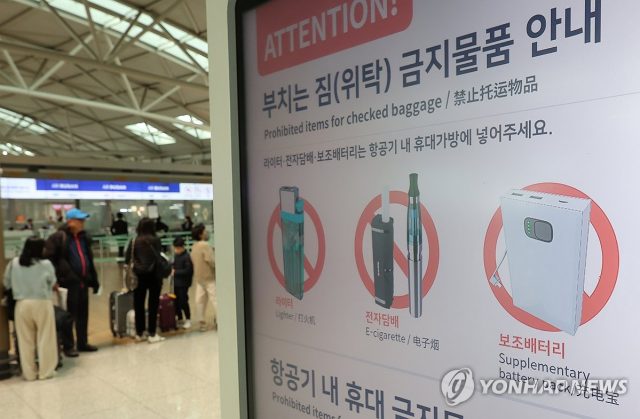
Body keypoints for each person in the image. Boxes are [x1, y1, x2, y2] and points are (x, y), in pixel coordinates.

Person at [44, 208, 100, 353]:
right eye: (79, 220)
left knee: (83, 313)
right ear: (70, 221)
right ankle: (68, 346)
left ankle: (82, 342)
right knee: (68, 315)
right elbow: (48, 260)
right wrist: (54, 279)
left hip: (83, 281)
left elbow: (88, 258)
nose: (82, 223)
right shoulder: (59, 238)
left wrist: (94, 280)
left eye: (83, 220)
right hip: (68, 282)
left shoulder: (83, 238)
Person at [3, 237, 58, 380]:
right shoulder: (46, 264)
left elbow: (6, 283)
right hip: (42, 303)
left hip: (21, 304)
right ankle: (46, 372)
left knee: (25, 340)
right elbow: (53, 282)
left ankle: (29, 374)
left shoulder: (14, 263)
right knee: (46, 337)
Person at [125, 217, 166, 343]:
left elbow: (127, 258)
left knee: (138, 304)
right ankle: (152, 333)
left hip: (138, 276)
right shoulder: (156, 240)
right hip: (154, 276)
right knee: (153, 304)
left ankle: (139, 333)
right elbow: (159, 256)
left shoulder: (134, 241)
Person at [190, 224, 217, 332]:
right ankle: (220, 320)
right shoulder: (205, 245)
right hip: (209, 277)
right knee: (215, 299)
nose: (207, 233)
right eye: (205, 231)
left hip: (199, 278)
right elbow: (211, 260)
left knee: (200, 300)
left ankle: (201, 322)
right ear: (200, 234)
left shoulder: (194, 246)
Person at [172, 237, 193, 329]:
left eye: (177, 248)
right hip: (176, 282)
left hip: (184, 283)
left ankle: (188, 319)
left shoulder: (187, 257)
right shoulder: (176, 255)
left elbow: (188, 271)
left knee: (183, 300)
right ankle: (179, 318)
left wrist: (175, 272)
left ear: (182, 247)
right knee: (176, 301)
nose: (176, 250)